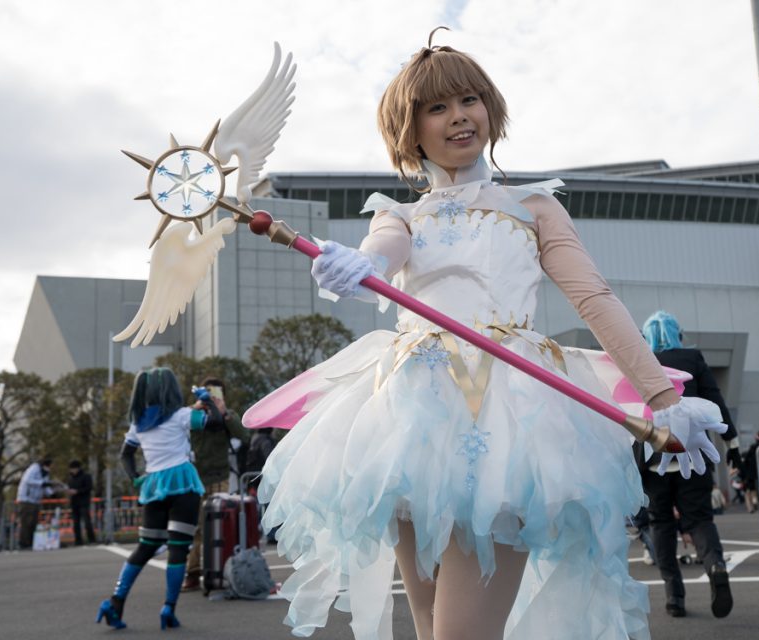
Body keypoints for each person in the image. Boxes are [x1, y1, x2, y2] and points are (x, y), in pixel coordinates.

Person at [251, 32, 726, 640]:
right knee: (428, 628)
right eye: (436, 107)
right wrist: (359, 266)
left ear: (490, 108)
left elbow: (594, 299)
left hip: (509, 419)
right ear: (410, 129)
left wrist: (662, 397)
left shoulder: (532, 206)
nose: (458, 118)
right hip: (408, 418)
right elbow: (381, 254)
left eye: (469, 99)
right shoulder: (400, 214)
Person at [637, 311, 740, 619]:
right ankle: (715, 566)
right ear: (677, 334)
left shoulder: (640, 359)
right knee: (699, 520)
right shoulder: (693, 358)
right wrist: (732, 442)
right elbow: (714, 399)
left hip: (653, 456)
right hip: (690, 453)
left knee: (661, 524)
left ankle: (674, 597)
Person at [95, 367, 208, 630]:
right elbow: (210, 422)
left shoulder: (139, 423)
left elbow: (125, 454)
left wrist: (136, 477)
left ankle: (115, 601)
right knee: (178, 548)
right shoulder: (182, 416)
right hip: (182, 484)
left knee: (146, 546)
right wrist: (208, 401)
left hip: (153, 486)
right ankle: (168, 608)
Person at [182, 376, 247, 591]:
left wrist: (225, 412)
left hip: (219, 476)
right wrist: (196, 407)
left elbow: (244, 435)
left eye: (217, 394)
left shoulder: (228, 415)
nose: (213, 398)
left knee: (219, 525)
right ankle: (192, 573)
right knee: (197, 527)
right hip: (195, 477)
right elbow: (179, 428)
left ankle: (221, 570)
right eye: (209, 393)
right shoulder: (194, 414)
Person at [16, 456, 54, 550]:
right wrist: (42, 483)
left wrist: (53, 491)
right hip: (26, 499)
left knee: (33, 523)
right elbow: (28, 480)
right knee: (26, 522)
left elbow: (46, 487)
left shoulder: (45, 473)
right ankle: (23, 543)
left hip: (36, 501)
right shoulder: (34, 469)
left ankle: (30, 542)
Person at [67, 460, 96, 546]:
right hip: (74, 502)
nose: (71, 471)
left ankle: (91, 539)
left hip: (83, 502)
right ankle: (78, 540)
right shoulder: (71, 478)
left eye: (73, 469)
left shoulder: (86, 476)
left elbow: (89, 488)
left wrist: (77, 491)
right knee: (76, 523)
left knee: (87, 522)